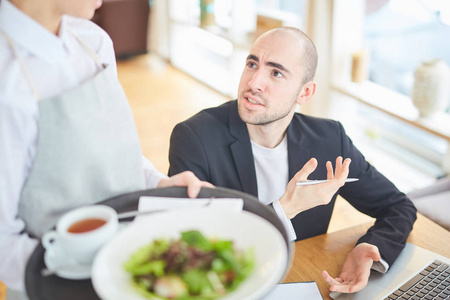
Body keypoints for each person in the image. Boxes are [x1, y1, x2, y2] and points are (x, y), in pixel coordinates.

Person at [168, 27, 417, 294]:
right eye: (252, 64)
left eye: (276, 72)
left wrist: (370, 247)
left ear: (305, 93)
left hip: (302, 278)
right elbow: (188, 248)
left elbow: (398, 206)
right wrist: (283, 210)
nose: (254, 82)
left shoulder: (330, 139)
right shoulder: (195, 137)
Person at [0, 0, 212, 296]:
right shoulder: (7, 82)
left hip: (130, 265)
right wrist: (95, 266)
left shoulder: (93, 41)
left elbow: (110, 148)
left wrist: (160, 184)